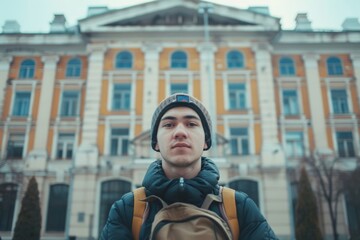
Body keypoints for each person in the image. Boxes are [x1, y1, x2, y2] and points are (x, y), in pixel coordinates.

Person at [100, 93, 278, 239]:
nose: (179, 132)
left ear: (206, 141)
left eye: (191, 124)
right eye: (169, 125)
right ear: (155, 143)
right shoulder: (127, 209)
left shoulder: (239, 207)